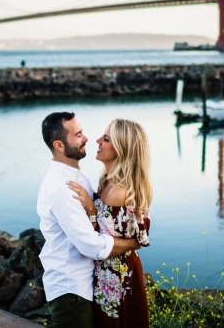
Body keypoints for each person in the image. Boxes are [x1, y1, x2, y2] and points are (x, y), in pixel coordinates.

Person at [37, 112, 142, 328]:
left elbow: (96, 222)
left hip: (85, 283)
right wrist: (133, 242)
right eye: (78, 134)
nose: (87, 138)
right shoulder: (62, 189)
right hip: (71, 289)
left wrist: (93, 211)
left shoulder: (78, 176)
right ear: (59, 145)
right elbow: (91, 245)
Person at [68, 119, 152, 328]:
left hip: (118, 275)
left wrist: (92, 210)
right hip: (104, 272)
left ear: (122, 149)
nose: (97, 140)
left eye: (105, 139)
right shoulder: (107, 181)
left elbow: (117, 241)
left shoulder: (121, 192)